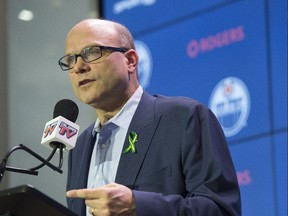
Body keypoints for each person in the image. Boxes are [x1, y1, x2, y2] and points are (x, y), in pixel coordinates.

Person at [58, 18, 241, 216]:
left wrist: (139, 205)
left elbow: (221, 210)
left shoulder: (184, 118)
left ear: (130, 61)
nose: (78, 67)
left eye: (92, 52)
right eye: (71, 59)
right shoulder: (80, 147)